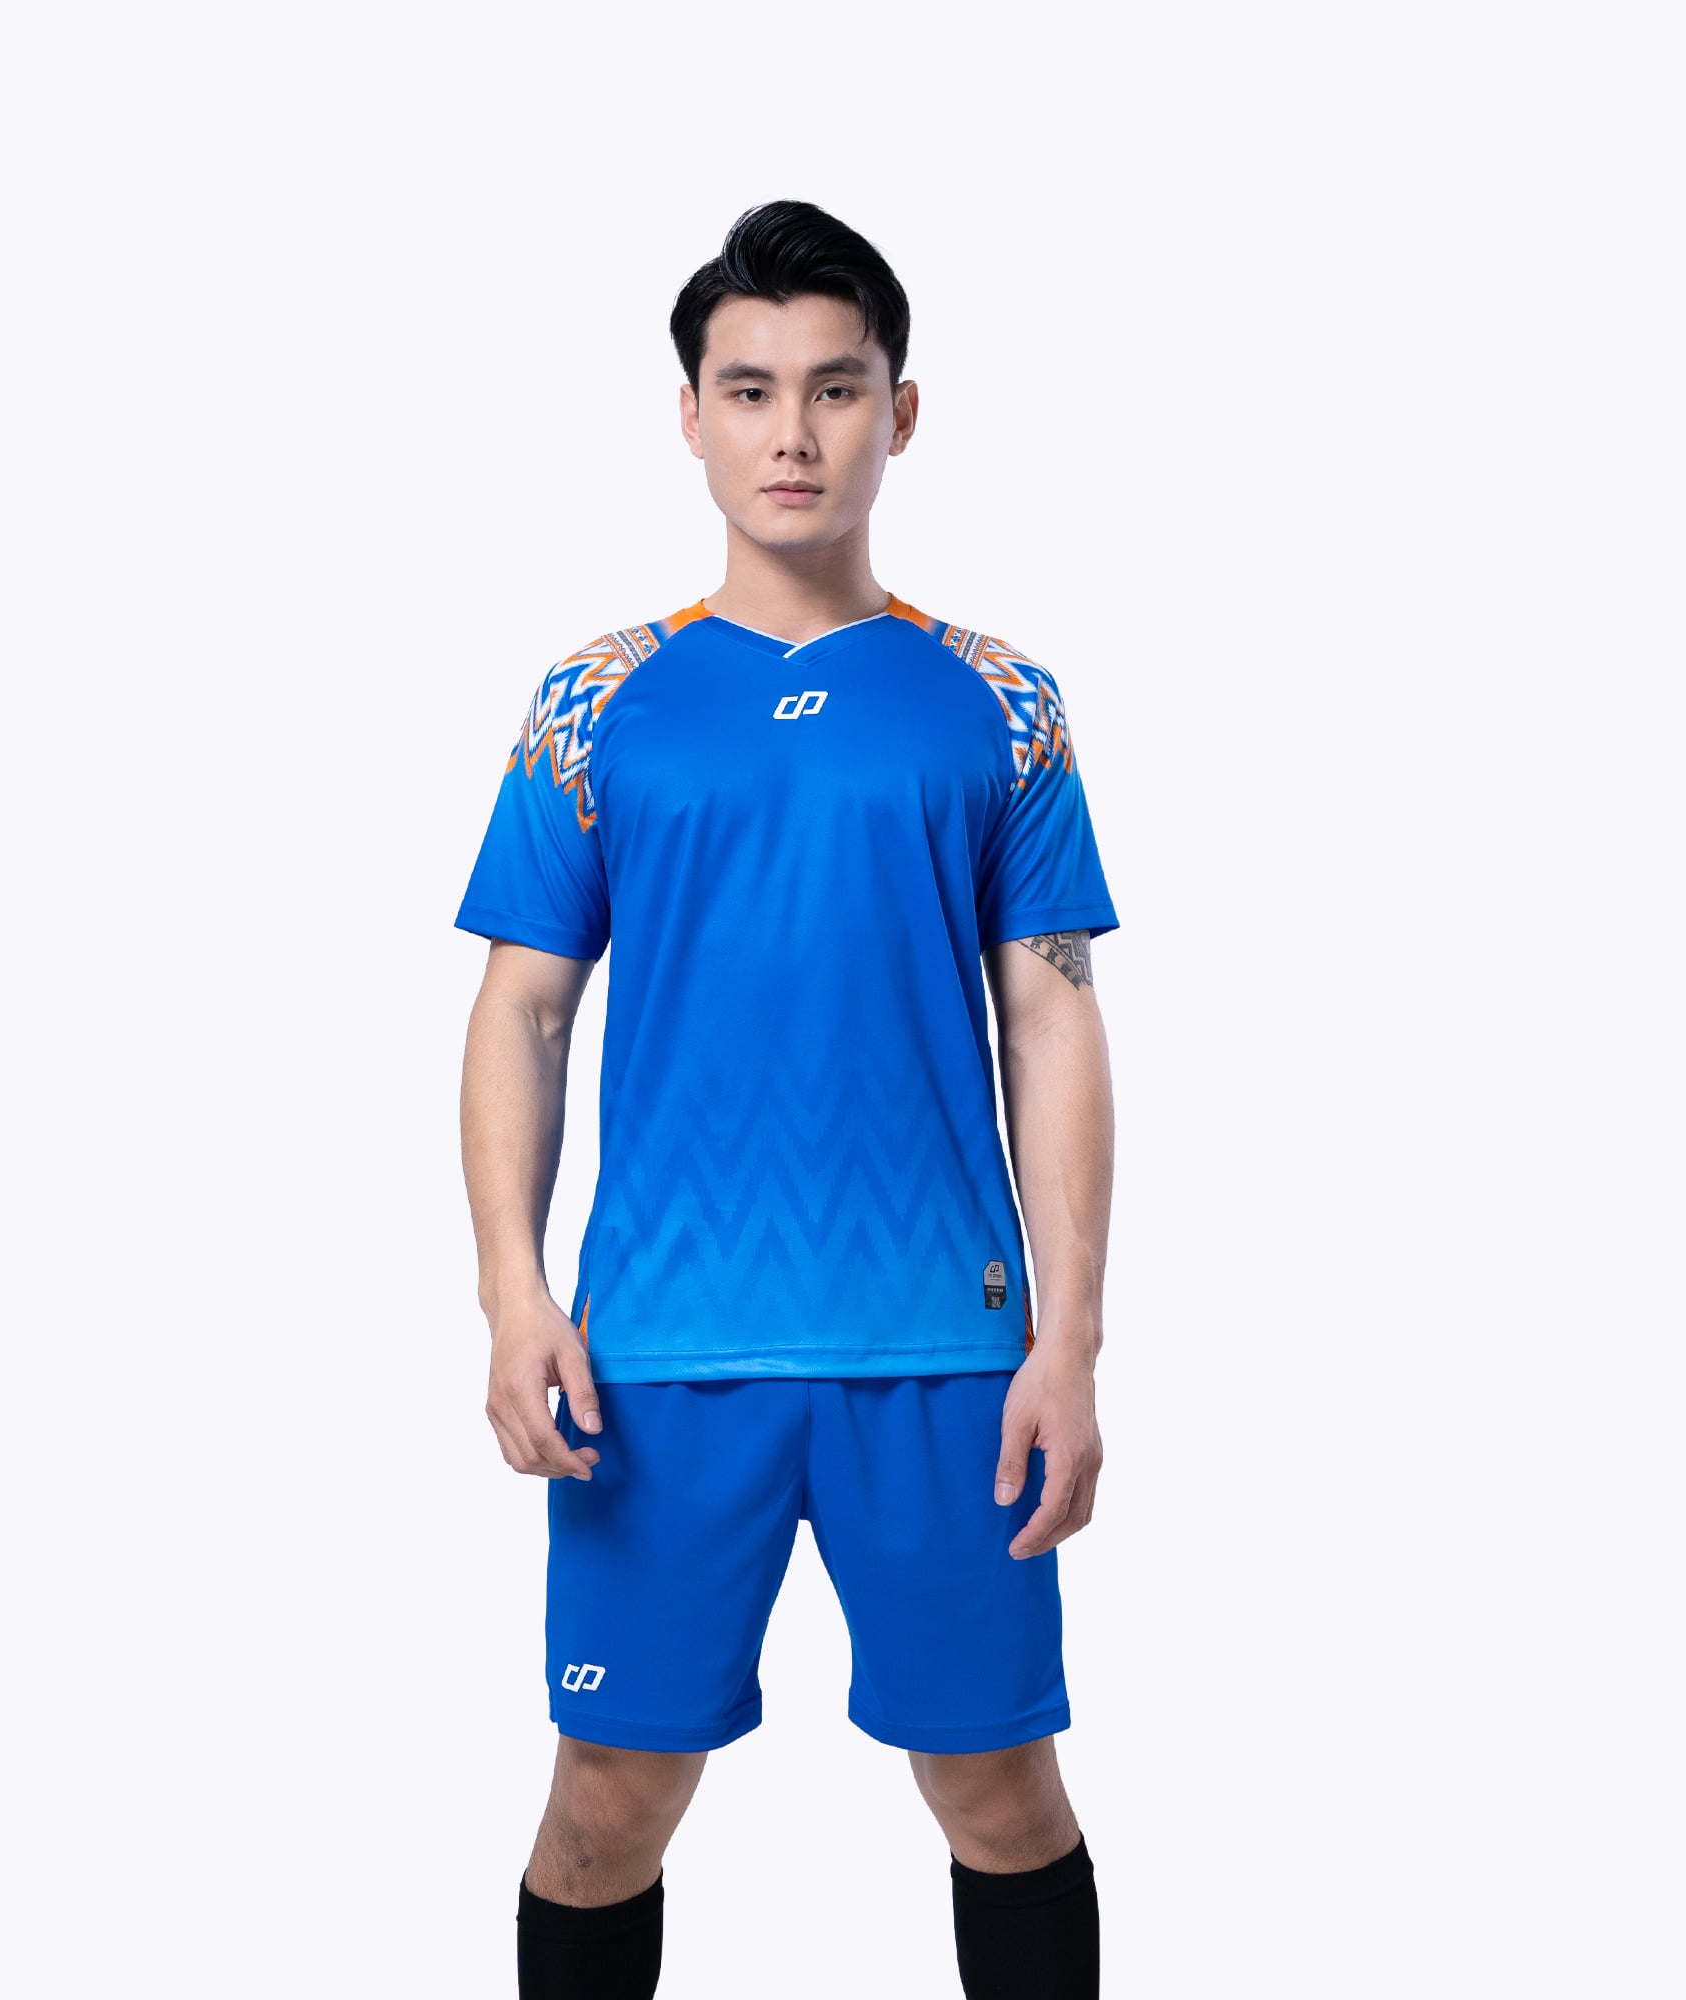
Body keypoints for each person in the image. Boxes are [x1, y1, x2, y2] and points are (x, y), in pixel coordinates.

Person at [456, 198, 1116, 1999]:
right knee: (604, 1809)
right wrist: (514, 1293)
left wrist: (1071, 1341)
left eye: (835, 388)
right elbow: (521, 1013)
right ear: (691, 417)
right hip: (660, 1355)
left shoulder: (1001, 702)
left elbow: (1053, 1018)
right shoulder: (598, 702)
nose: (793, 432)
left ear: (901, 412)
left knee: (1000, 1798)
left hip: (947, 1349)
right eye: (749, 391)